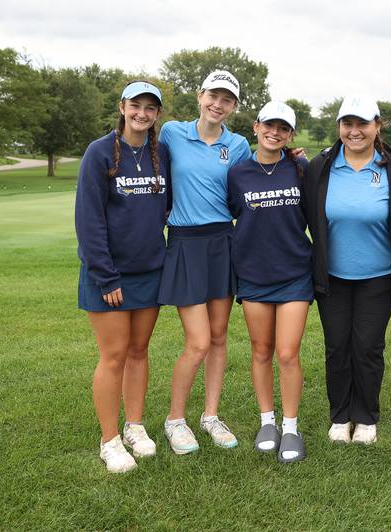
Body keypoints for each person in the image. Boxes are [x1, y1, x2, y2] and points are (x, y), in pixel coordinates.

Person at [75, 81, 169, 473]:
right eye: (136, 105)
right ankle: (109, 440)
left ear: (157, 114)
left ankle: (135, 426)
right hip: (109, 276)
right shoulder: (99, 153)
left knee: (139, 351)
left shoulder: (160, 153)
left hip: (150, 271)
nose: (142, 113)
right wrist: (106, 276)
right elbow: (89, 219)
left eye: (150, 108)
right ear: (123, 107)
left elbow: (167, 206)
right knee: (113, 355)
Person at [305, 95, 391, 445]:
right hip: (331, 276)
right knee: (337, 345)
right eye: (347, 124)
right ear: (339, 127)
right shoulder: (320, 166)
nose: (355, 131)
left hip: (379, 276)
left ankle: (365, 416)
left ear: (377, 126)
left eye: (362, 123)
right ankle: (340, 415)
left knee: (366, 346)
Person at [157, 70, 250, 454]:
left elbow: (249, 183)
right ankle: (174, 420)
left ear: (233, 106)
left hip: (222, 242)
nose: (218, 104)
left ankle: (210, 416)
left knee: (218, 336)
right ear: (200, 96)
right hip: (185, 243)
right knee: (197, 342)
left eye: (227, 99)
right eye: (213, 95)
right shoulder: (172, 134)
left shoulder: (239, 144)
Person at [227, 101, 312, 463]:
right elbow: (234, 213)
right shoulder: (238, 173)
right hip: (254, 274)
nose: (274, 132)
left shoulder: (301, 168)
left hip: (294, 272)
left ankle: (291, 427)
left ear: (291, 134)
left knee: (287, 352)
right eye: (269, 125)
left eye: (283, 128)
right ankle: (267, 421)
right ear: (256, 126)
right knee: (261, 350)